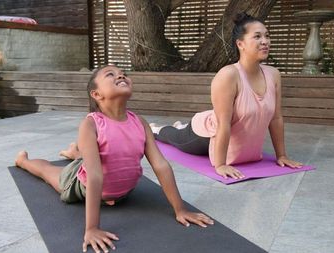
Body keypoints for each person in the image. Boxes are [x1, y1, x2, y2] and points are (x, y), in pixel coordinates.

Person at [15, 65, 213, 253]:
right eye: (110, 74)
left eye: (123, 73)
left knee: (92, 157)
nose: (120, 75)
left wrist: (180, 210)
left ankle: (76, 153)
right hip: (80, 184)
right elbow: (94, 175)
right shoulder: (91, 124)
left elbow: (161, 165)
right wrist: (92, 228)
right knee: (48, 173)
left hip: (122, 193)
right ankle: (24, 161)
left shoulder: (140, 122)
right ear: (96, 94)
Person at [151, 12, 303, 180]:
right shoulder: (228, 75)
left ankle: (179, 126)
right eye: (257, 37)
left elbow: (276, 118)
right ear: (240, 44)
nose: (265, 41)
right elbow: (223, 124)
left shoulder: (273, 75)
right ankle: (155, 128)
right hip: (205, 135)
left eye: (267, 36)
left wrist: (281, 155)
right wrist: (221, 164)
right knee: (172, 138)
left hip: (226, 126)